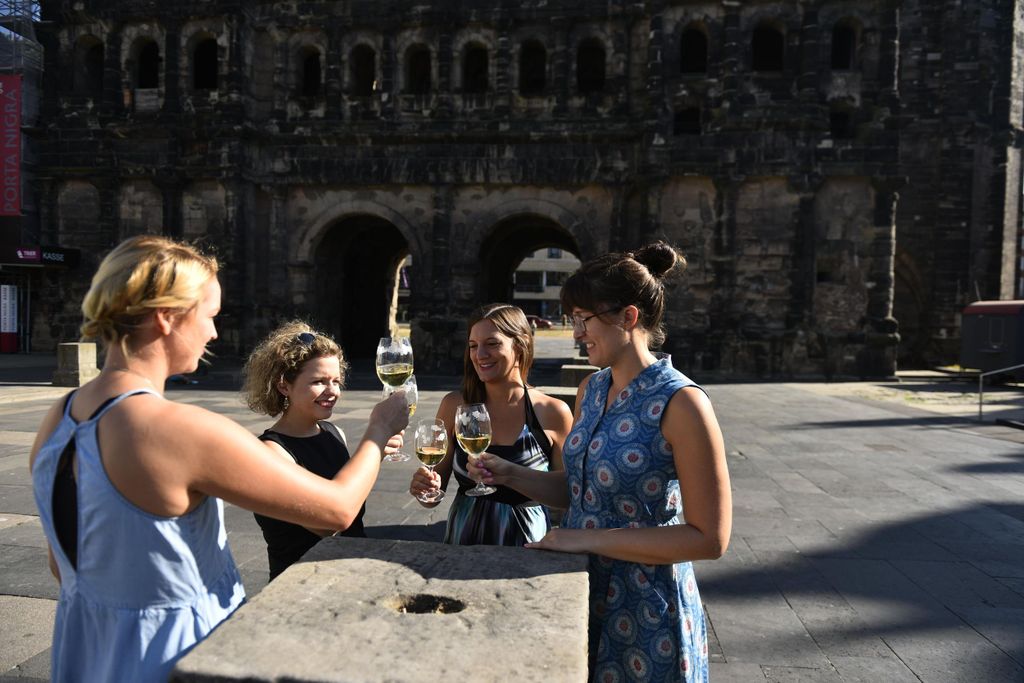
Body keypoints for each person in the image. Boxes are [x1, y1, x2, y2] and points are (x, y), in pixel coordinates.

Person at [28, 235, 408, 683]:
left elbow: (61, 563)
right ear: (168, 318)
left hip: (86, 645)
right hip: (174, 654)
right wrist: (378, 429)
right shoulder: (177, 429)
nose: (213, 332)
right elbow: (336, 510)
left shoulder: (60, 416)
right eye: (209, 316)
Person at [471, 243, 731, 682]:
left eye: (583, 320)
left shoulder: (682, 402)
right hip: (581, 588)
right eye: (574, 320)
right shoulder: (592, 388)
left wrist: (584, 539)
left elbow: (709, 539)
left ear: (627, 318)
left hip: (647, 607)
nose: (575, 333)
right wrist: (511, 474)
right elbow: (578, 490)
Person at [242, 321, 403, 581]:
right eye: (319, 381)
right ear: (284, 386)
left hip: (351, 574)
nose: (332, 392)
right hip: (302, 586)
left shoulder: (332, 432)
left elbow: (350, 494)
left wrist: (377, 454)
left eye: (336, 381)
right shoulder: (272, 452)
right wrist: (376, 434)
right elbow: (330, 523)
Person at [410, 303, 573, 545]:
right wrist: (424, 488)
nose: (480, 355)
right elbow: (432, 496)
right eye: (473, 346)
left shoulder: (552, 412)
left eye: (492, 343)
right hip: (463, 540)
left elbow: (567, 496)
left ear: (520, 344)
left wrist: (512, 476)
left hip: (526, 543)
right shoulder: (453, 406)